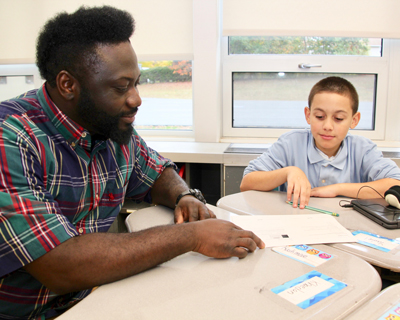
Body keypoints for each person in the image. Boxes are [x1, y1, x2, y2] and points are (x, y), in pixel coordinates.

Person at [0, 6, 264, 319]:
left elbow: (155, 172)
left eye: (137, 83)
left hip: (96, 299)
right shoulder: (12, 138)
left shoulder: (109, 123)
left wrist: (183, 195)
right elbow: (60, 264)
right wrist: (193, 236)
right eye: (121, 87)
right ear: (68, 85)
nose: (136, 99)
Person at [240, 76, 400, 209]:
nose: (328, 126)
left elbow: (395, 184)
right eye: (319, 117)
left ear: (354, 120)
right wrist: (288, 172)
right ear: (308, 115)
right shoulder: (290, 143)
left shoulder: (363, 149)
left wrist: (337, 189)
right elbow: (247, 183)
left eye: (338, 119)